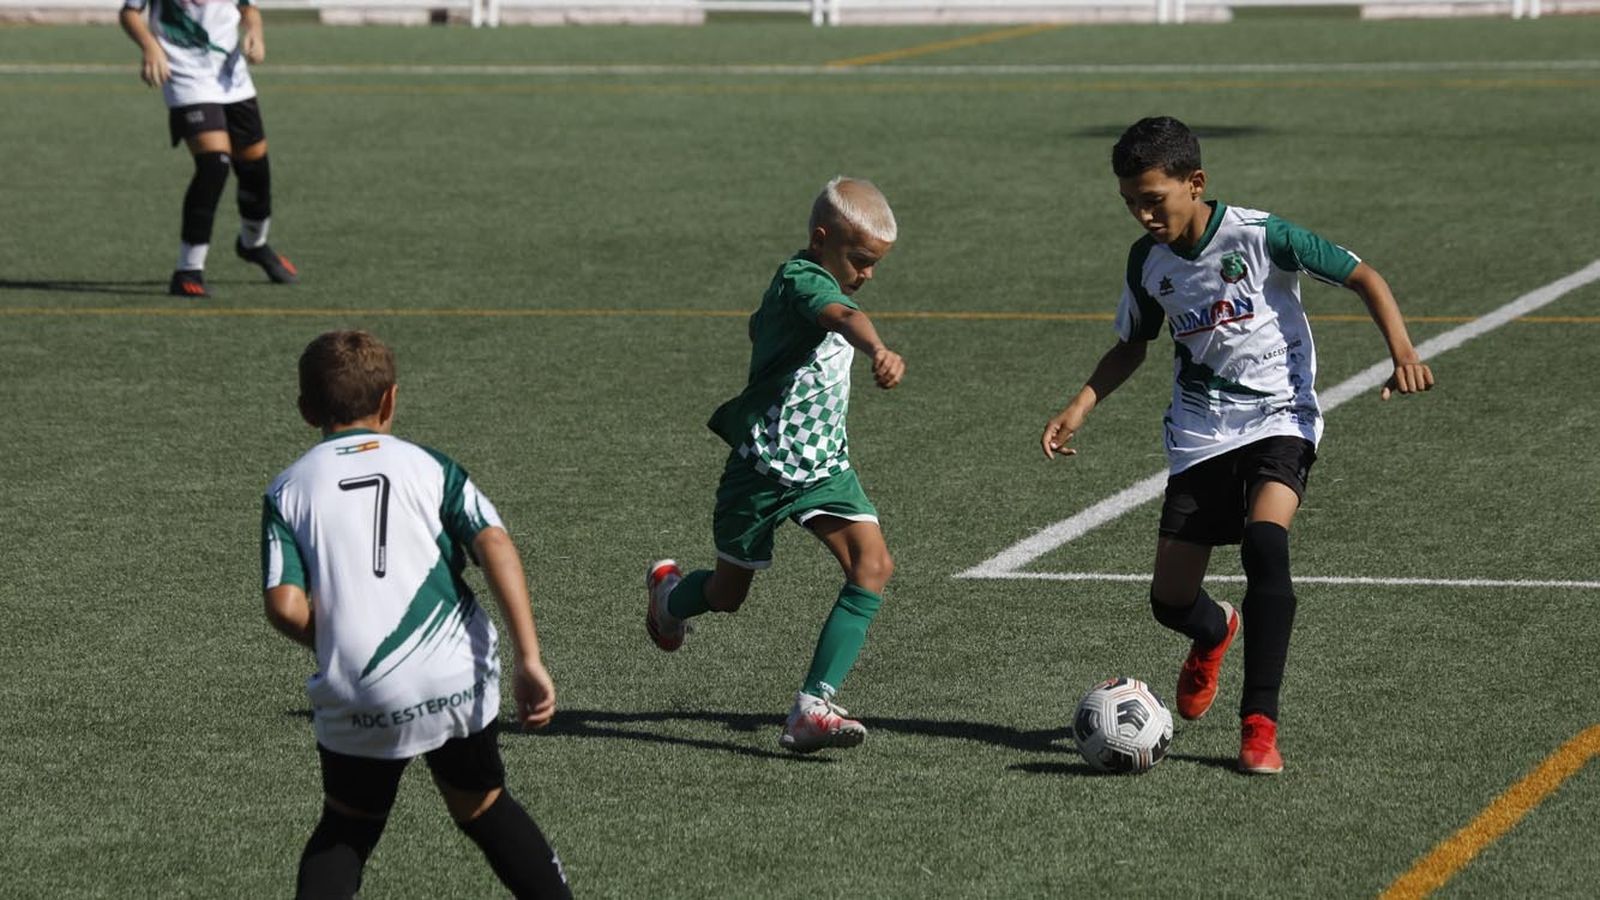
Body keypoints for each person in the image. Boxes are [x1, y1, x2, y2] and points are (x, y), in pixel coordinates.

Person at [1040, 117, 1434, 774]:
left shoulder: (1260, 235)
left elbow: (1364, 275)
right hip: (1200, 437)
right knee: (1169, 602)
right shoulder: (1148, 262)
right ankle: (1216, 629)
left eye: (1153, 199)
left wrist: (1402, 351)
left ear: (1195, 183)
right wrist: (1080, 405)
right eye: (1130, 203)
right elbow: (1134, 342)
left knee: (1265, 543)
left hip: (1282, 418)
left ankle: (1259, 726)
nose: (1143, 214)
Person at [262, 331, 570, 898]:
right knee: (484, 808)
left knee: (347, 828)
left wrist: (338, 639)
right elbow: (495, 544)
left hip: (360, 686)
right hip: (453, 673)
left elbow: (284, 606)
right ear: (390, 402)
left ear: (306, 411)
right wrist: (530, 657)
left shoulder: (288, 490)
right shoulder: (429, 466)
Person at [645, 176, 906, 754]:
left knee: (873, 566)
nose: (867, 275)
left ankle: (813, 706)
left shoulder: (807, 285)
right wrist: (878, 348)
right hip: (760, 471)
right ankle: (668, 599)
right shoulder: (804, 280)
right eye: (860, 260)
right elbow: (840, 315)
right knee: (728, 593)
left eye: (875, 265)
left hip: (824, 470)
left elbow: (773, 327)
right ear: (821, 239)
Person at [119, 0, 297, 298]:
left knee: (255, 167)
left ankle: (253, 244)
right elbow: (129, 12)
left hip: (232, 77)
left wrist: (255, 31)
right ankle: (188, 270)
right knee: (214, 164)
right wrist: (150, 46)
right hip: (185, 75)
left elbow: (247, 8)